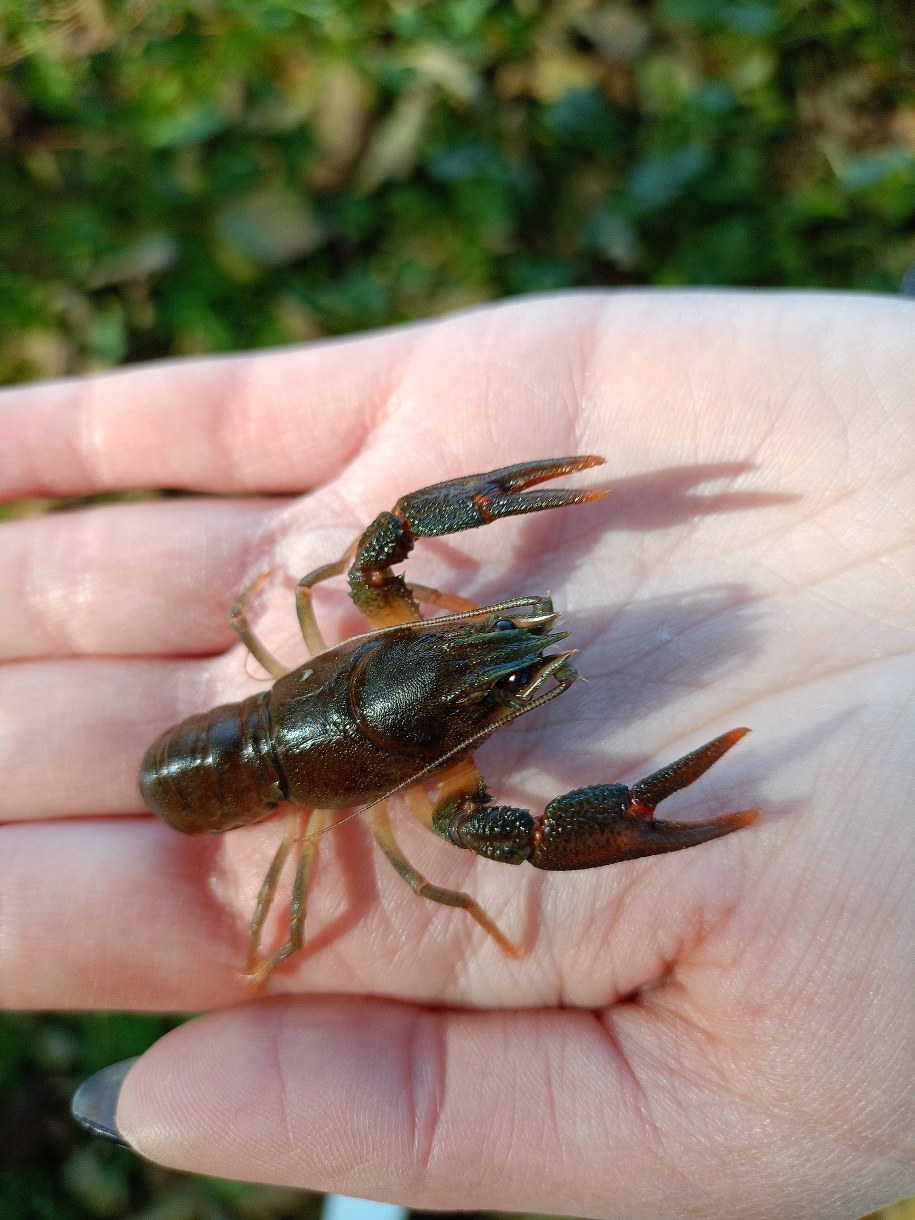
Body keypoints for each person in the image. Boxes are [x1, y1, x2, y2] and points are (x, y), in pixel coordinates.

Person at [0, 291, 912, 1219]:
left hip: (294, 719)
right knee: (477, 855)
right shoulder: (432, 772)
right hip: (201, 770)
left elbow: (369, 565)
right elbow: (480, 838)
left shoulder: (383, 613)